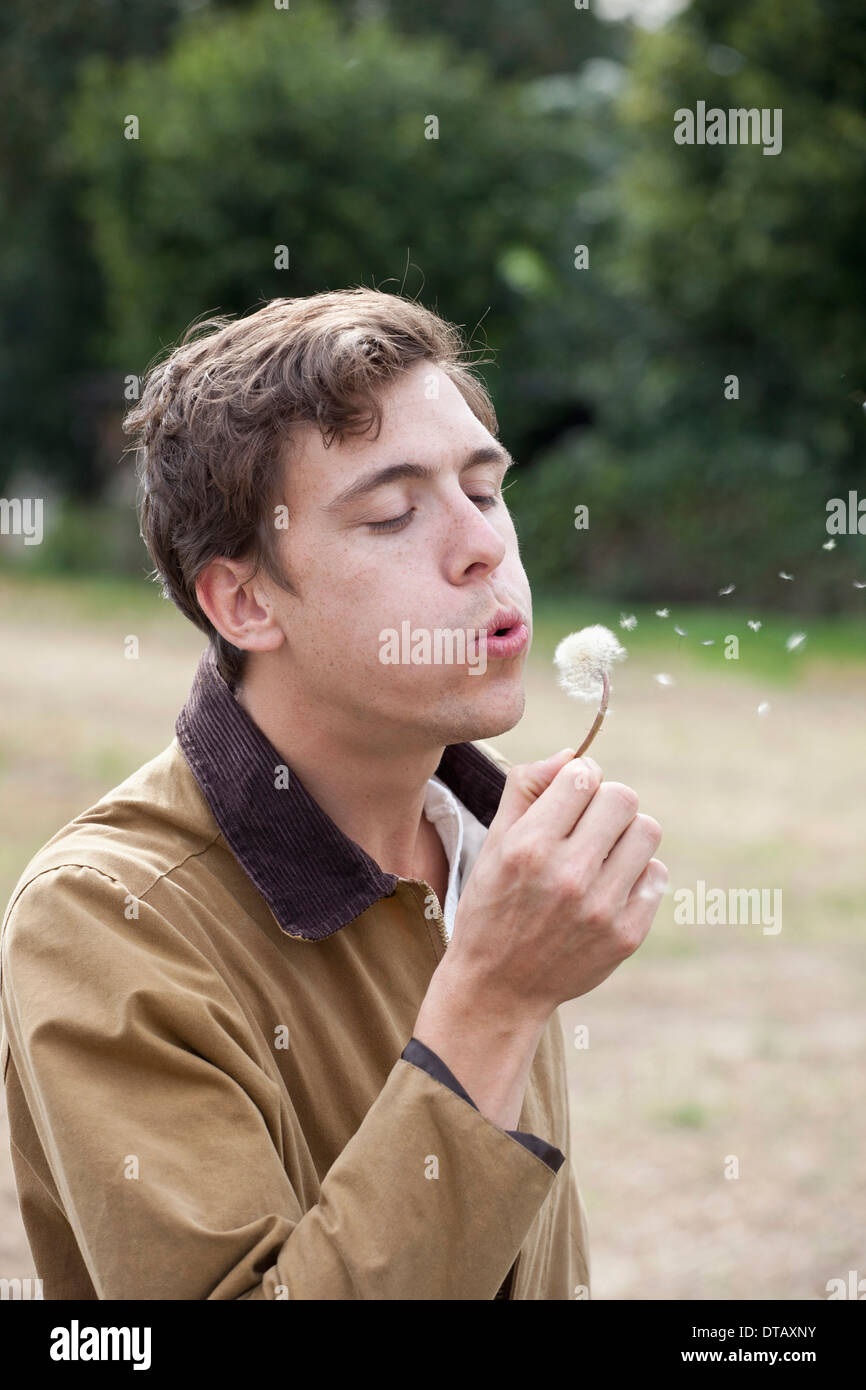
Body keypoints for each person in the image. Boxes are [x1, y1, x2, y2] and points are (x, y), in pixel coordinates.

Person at [0, 288, 666, 1299]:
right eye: (393, 513)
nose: (481, 546)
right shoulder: (102, 919)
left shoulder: (483, 843)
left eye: (483, 492)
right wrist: (490, 999)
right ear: (244, 599)